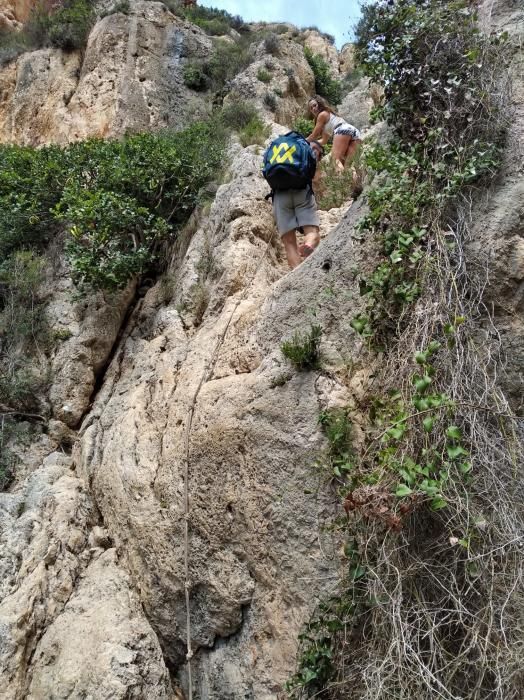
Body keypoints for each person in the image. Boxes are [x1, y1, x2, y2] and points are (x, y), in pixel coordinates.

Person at [271, 139, 323, 269]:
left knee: (289, 244)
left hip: (280, 195)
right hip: (302, 192)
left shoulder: (284, 149)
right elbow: (315, 179)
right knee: (312, 233)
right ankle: (309, 244)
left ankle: (297, 275)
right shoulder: (309, 153)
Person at [306, 95, 361, 172]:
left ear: (320, 104)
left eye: (315, 105)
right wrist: (312, 144)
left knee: (335, 161)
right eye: (311, 108)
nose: (313, 109)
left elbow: (314, 136)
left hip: (342, 130)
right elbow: (324, 141)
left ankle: (342, 182)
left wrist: (301, 141)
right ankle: (353, 183)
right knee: (347, 166)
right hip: (354, 132)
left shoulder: (322, 115)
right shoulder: (328, 117)